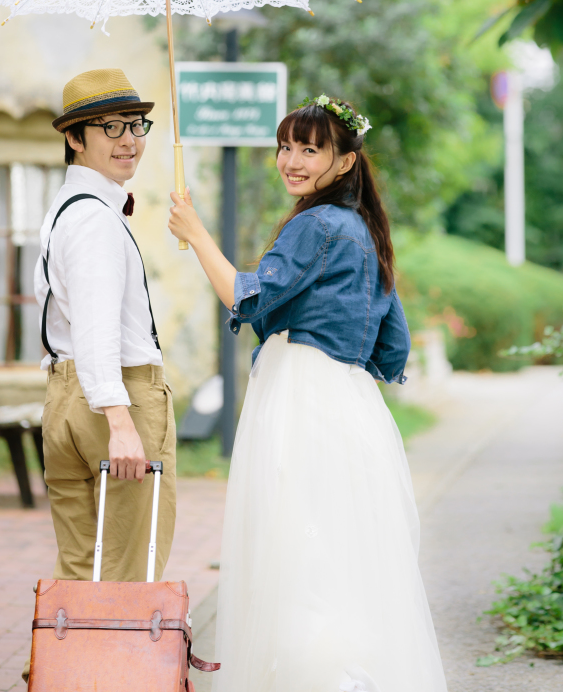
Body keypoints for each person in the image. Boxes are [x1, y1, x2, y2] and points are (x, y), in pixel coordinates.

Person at [167, 95, 446, 692]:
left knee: (296, 556)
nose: (291, 161)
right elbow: (392, 348)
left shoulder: (315, 225)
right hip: (352, 403)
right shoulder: (366, 230)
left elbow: (246, 297)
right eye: (285, 146)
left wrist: (195, 233)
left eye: (310, 149)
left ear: (344, 162)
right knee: (339, 558)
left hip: (302, 397)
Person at [35, 67, 176, 579]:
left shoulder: (65, 208)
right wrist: (120, 423)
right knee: (126, 575)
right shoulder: (95, 218)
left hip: (65, 397)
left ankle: (63, 644)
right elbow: (96, 328)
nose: (129, 140)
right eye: (111, 127)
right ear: (74, 138)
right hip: (116, 398)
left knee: (78, 573)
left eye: (136, 125)